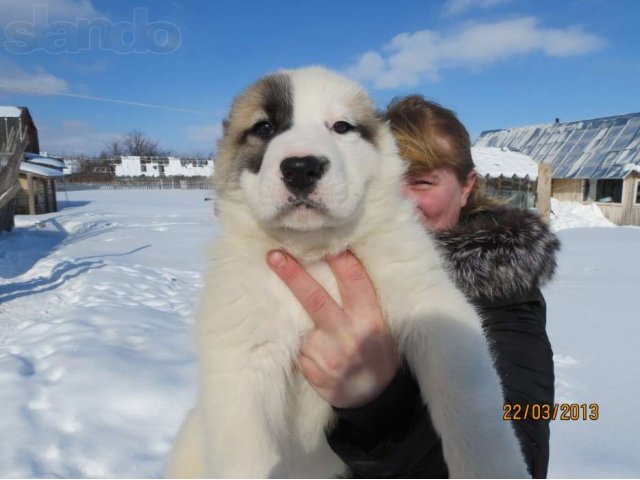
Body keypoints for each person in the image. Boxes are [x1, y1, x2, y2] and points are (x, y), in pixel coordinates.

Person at [266, 95, 559, 478]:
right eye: (384, 181)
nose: (400, 201)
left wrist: (378, 404)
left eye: (422, 182)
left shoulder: (500, 293)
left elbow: (523, 454)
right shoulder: (334, 262)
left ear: (467, 186)